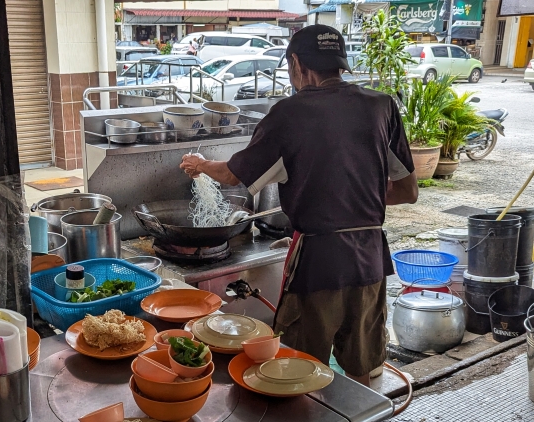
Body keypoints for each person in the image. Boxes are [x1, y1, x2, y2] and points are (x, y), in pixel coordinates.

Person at [179, 24, 418, 385]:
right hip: (370, 261)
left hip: (318, 264)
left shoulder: (289, 113)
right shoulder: (382, 106)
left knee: (299, 369)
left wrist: (200, 165)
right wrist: (352, 200)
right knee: (363, 369)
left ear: (296, 63)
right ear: (340, 64)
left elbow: (232, 175)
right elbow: (407, 191)